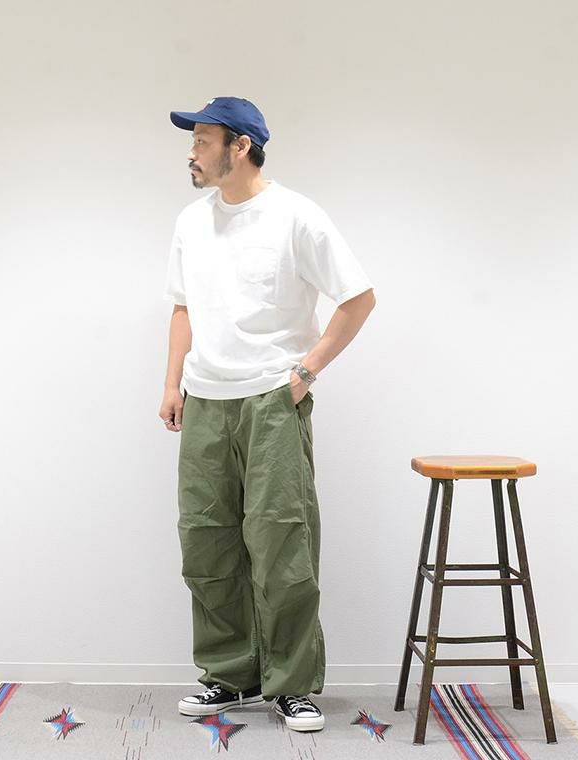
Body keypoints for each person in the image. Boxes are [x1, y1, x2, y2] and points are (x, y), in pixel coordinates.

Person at [159, 96, 376, 733]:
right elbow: (182, 308)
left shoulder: (295, 217)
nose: (191, 153)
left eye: (202, 140)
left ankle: (291, 684)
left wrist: (305, 372)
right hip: (205, 400)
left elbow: (358, 299)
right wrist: (171, 383)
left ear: (241, 146)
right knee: (206, 543)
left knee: (282, 543)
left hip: (271, 402)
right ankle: (230, 675)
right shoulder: (191, 222)